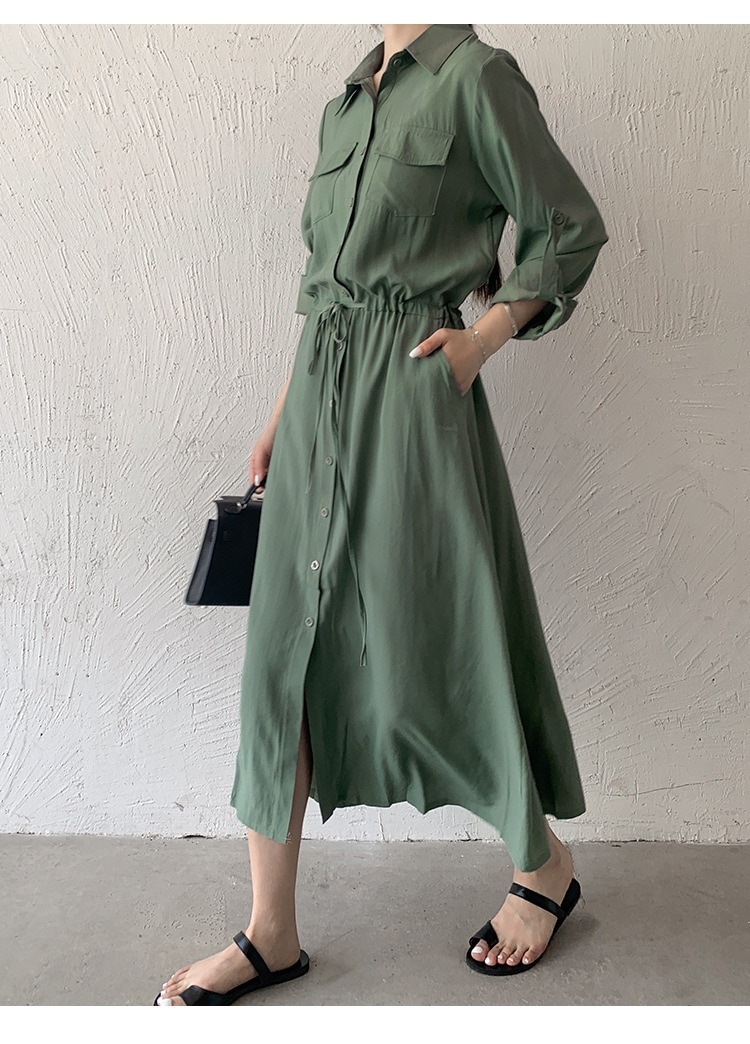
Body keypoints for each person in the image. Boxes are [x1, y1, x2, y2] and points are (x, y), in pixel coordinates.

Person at [156, 23, 608, 1005]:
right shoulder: (346, 102)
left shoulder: (478, 79)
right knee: (280, 656)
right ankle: (270, 931)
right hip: (317, 404)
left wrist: (480, 339)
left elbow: (569, 225)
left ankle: (543, 865)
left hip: (412, 399)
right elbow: (324, 293)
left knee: (440, 641)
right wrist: (283, 414)